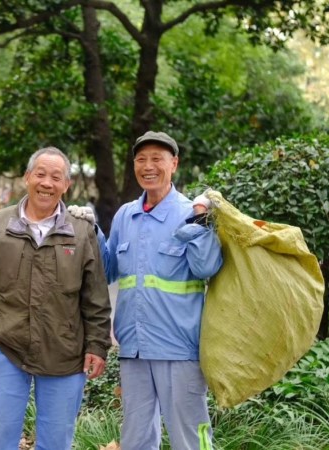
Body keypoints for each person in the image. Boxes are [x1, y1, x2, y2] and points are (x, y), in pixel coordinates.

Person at [71, 131, 223, 450]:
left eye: (157, 158)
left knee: (190, 437)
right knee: (136, 439)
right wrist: (93, 230)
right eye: (141, 159)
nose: (148, 166)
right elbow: (109, 271)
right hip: (134, 348)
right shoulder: (127, 214)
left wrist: (200, 219)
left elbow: (207, 267)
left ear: (174, 164)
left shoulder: (190, 211)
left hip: (180, 348)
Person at [0, 147, 112, 450]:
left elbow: (95, 297)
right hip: (3, 346)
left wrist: (96, 345)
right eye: (40, 174)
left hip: (66, 353)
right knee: (1, 442)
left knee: (56, 443)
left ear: (66, 185)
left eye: (56, 177)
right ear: (27, 178)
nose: (47, 183)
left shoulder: (81, 232)